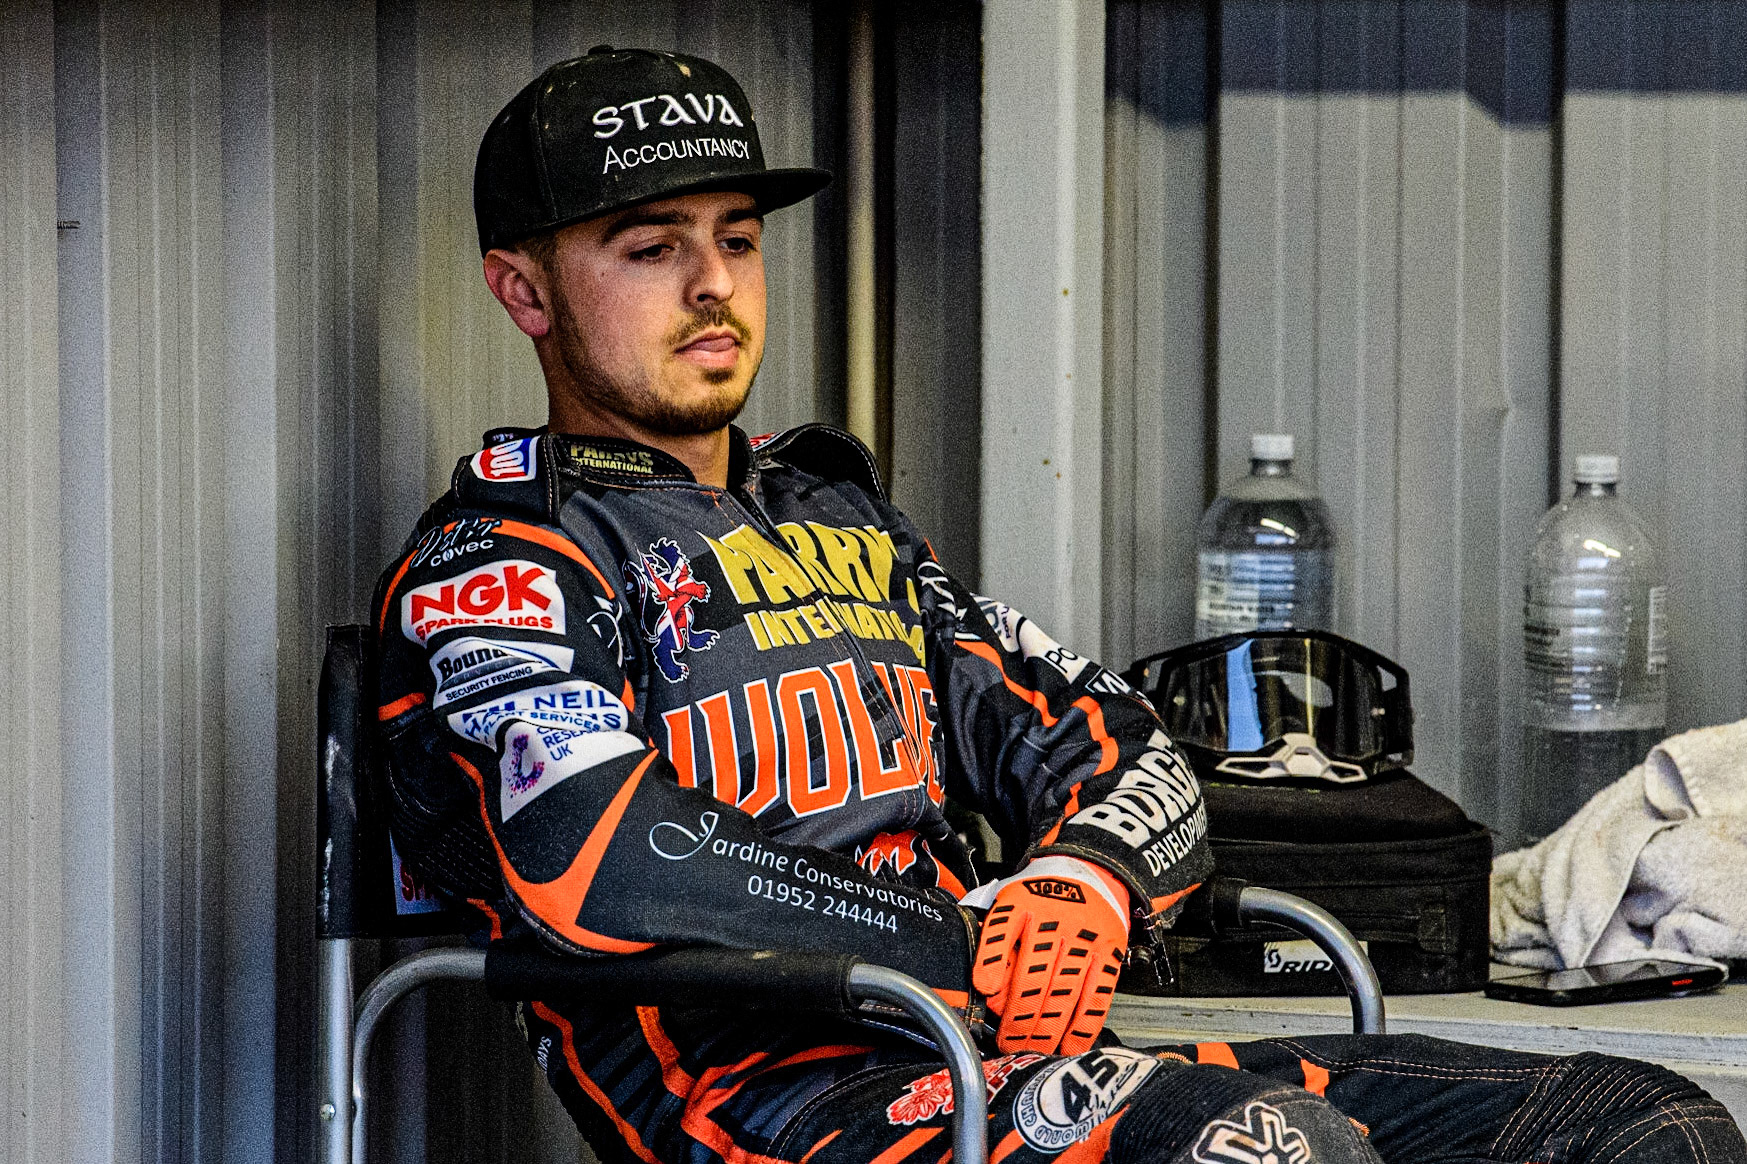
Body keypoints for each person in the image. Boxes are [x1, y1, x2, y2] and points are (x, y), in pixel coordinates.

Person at [373, 46, 1745, 1164]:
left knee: (1642, 1123)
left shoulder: (841, 524)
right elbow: (595, 853)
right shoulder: (502, 557)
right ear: (523, 291)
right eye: (651, 247)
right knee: (1274, 1152)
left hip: (1017, 1067)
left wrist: (1084, 880)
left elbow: (1122, 741)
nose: (717, 284)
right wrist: (971, 939)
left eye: (738, 238)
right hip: (782, 1104)